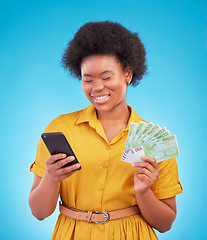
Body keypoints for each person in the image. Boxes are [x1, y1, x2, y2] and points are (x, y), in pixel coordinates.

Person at [29, 21, 183, 240]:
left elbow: (165, 223)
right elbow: (39, 212)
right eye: (87, 79)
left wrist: (143, 191)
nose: (97, 87)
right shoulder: (60, 128)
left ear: (127, 74)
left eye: (107, 77)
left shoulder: (155, 142)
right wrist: (51, 179)